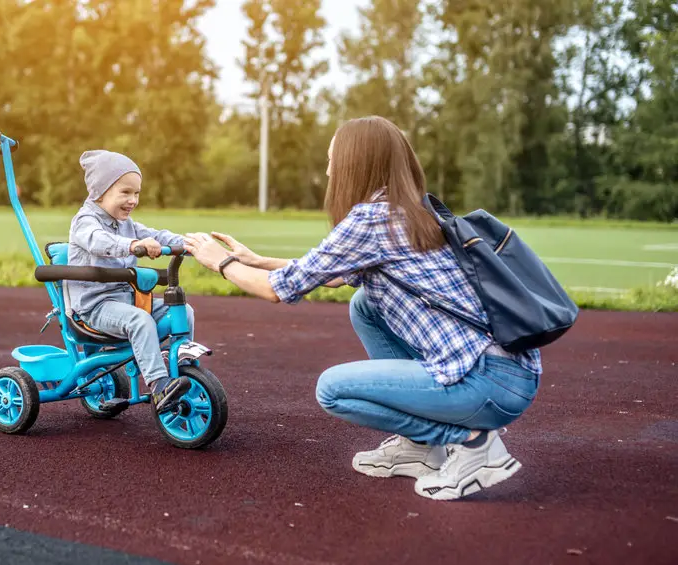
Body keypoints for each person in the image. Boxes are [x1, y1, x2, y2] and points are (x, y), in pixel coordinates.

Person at [183, 116, 542, 501]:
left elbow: (276, 292)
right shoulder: (417, 210)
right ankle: (419, 449)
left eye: (332, 159)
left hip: (485, 384)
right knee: (366, 304)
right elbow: (332, 275)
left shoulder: (370, 220)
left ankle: (471, 444)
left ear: (355, 164)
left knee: (333, 390)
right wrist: (255, 259)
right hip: (512, 371)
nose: (328, 170)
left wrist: (219, 261)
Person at [67, 150, 193, 413]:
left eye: (136, 193)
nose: (133, 200)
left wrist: (188, 243)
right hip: (95, 307)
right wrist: (133, 245)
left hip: (128, 299)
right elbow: (98, 242)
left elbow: (155, 234)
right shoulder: (85, 222)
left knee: (184, 311)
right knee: (140, 320)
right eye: (125, 193)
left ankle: (179, 366)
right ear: (100, 192)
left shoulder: (127, 224)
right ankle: (159, 386)